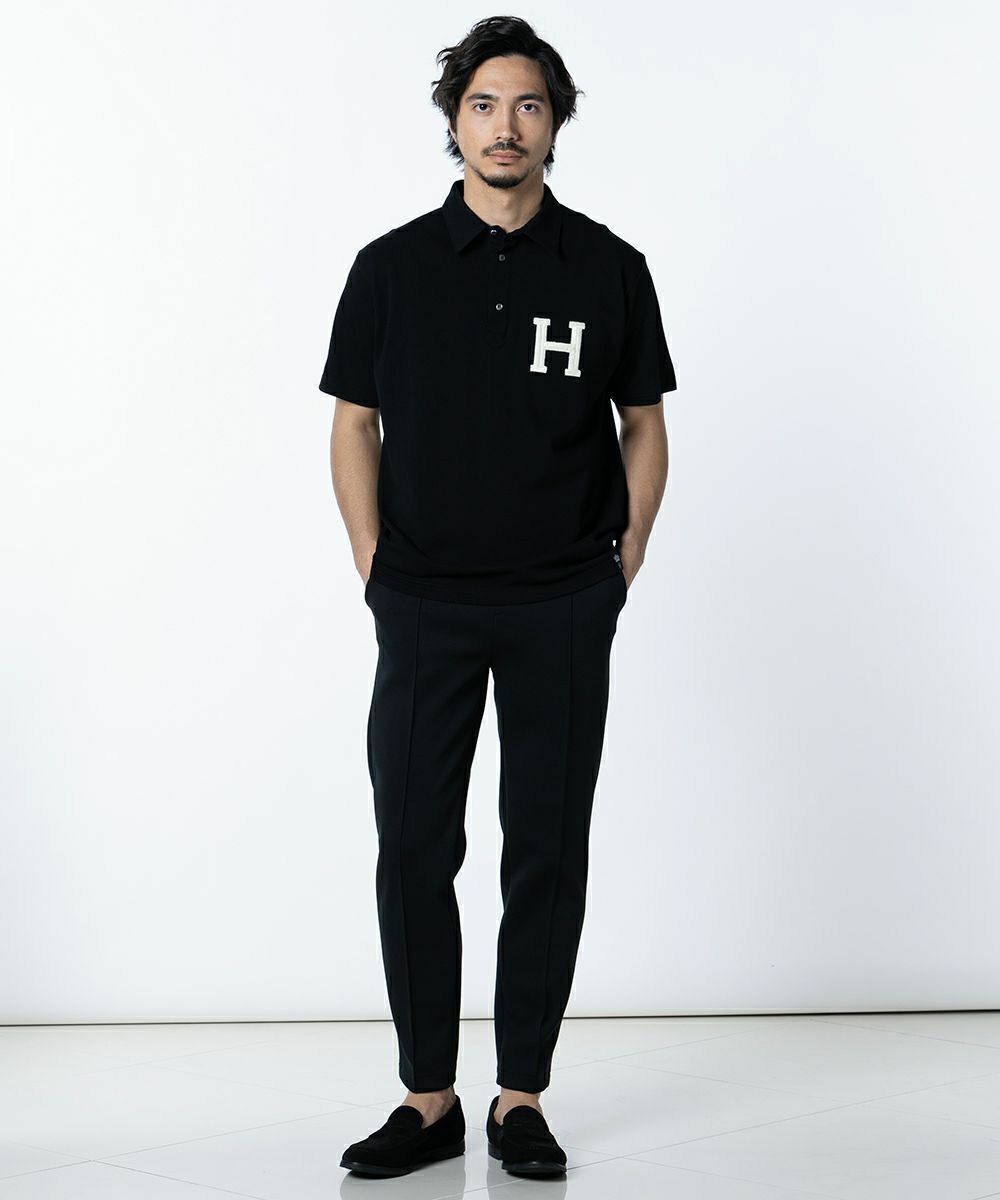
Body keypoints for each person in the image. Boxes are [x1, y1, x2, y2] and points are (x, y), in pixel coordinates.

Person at [320, 14, 676, 1180]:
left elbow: (643, 424)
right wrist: (373, 561)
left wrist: (620, 561)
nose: (505, 125)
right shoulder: (389, 269)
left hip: (560, 602)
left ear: (554, 124)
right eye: (483, 104)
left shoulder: (609, 268)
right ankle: (427, 1098)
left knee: (546, 848)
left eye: (527, 104)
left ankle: (520, 1095)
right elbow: (353, 424)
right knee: (413, 845)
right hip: (422, 600)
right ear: (454, 123)